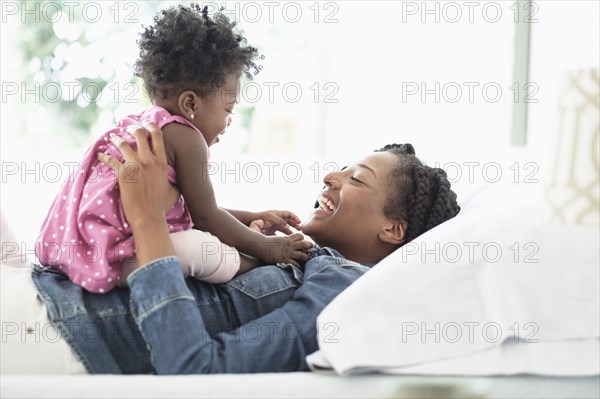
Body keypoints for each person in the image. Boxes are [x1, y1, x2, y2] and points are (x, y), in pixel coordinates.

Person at [1, 123, 460, 374]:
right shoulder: (303, 257)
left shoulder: (343, 293)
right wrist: (248, 243)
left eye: (356, 178)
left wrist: (147, 221)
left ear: (394, 230)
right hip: (40, 285)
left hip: (54, 327)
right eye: (341, 167)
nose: (330, 177)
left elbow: (193, 370)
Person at [34, 5, 312, 294]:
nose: (229, 122)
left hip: (84, 248)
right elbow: (206, 216)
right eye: (228, 110)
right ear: (190, 104)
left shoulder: (144, 125)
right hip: (115, 257)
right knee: (200, 247)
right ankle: (249, 264)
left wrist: (252, 214)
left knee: (194, 238)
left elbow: (193, 209)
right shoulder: (188, 140)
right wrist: (266, 247)